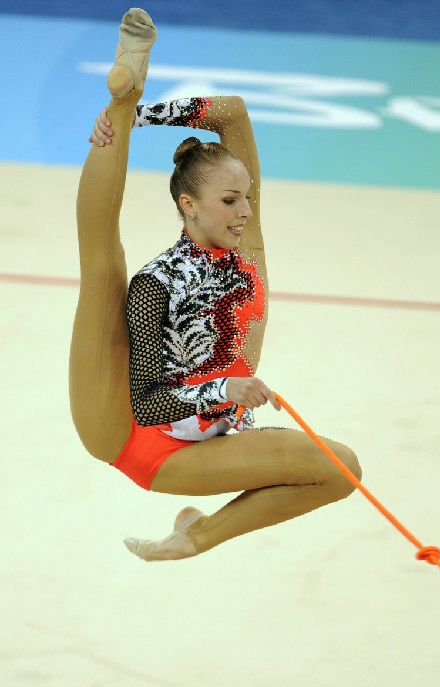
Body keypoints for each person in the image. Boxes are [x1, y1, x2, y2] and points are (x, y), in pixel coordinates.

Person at [70, 7, 362, 562]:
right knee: (101, 262)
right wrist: (223, 391)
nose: (246, 211)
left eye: (247, 197)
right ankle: (123, 91)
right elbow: (148, 404)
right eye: (230, 201)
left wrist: (145, 119)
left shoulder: (247, 247)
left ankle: (196, 536)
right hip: (130, 430)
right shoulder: (155, 283)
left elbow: (233, 113)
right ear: (189, 204)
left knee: (342, 469)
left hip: (206, 442)